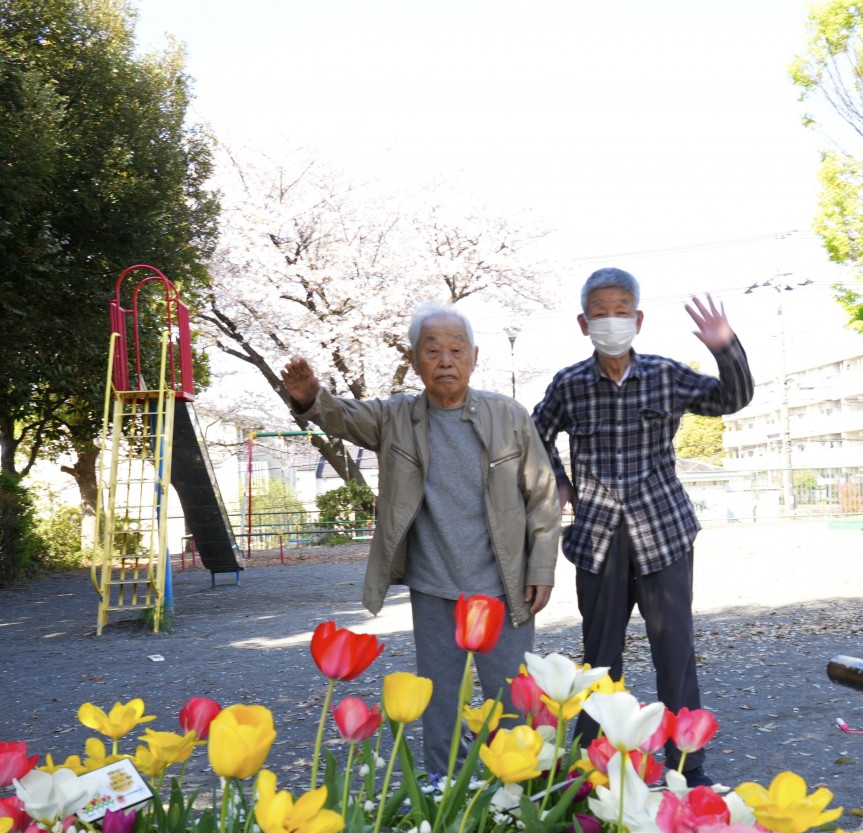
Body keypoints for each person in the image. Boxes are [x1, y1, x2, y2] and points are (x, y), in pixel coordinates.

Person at [280, 304, 561, 775]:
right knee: (439, 699)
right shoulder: (396, 417)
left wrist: (541, 569)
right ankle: (441, 788)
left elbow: (543, 496)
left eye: (456, 350)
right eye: (432, 351)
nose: (445, 360)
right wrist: (311, 398)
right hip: (434, 584)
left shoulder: (508, 415)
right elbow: (344, 417)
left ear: (474, 356)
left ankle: (520, 791)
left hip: (503, 584)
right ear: (414, 360)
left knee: (513, 697)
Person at [532, 267, 754, 785]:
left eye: (622, 311)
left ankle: (687, 765)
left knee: (674, 653)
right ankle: (592, 765)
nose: (612, 320)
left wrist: (725, 347)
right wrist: (558, 481)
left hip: (664, 532)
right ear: (584, 323)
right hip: (598, 538)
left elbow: (731, 399)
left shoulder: (665, 374)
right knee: (599, 659)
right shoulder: (569, 384)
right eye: (601, 313)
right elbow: (535, 431)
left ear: (638, 319)